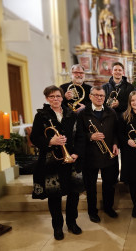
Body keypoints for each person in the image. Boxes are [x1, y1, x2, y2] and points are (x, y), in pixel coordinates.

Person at [31, 85, 82, 240]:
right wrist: (50, 141)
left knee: (74, 194)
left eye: (58, 96)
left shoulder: (70, 113)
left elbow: (80, 136)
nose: (55, 99)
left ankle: (72, 222)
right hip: (52, 160)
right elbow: (34, 137)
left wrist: (76, 153)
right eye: (52, 97)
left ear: (62, 97)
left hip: (70, 159)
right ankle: (57, 227)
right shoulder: (41, 115)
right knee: (54, 196)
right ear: (47, 98)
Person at [76, 86, 119, 222]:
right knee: (91, 187)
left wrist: (115, 143)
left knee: (109, 185)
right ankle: (92, 211)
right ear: (90, 96)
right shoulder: (82, 113)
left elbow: (117, 131)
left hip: (108, 154)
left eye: (102, 95)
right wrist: (90, 136)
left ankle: (108, 208)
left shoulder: (111, 112)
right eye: (96, 95)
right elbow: (77, 134)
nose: (99, 98)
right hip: (90, 156)